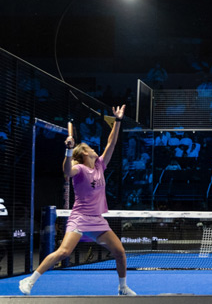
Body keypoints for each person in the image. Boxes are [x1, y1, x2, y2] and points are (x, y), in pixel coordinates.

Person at [20, 105, 136, 296]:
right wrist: (68, 151)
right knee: (64, 252)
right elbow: (66, 171)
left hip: (97, 220)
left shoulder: (100, 166)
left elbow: (111, 144)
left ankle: (122, 288)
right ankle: (30, 281)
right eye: (90, 149)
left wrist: (118, 121)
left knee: (120, 252)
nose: (94, 150)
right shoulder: (80, 170)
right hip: (80, 219)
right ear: (84, 153)